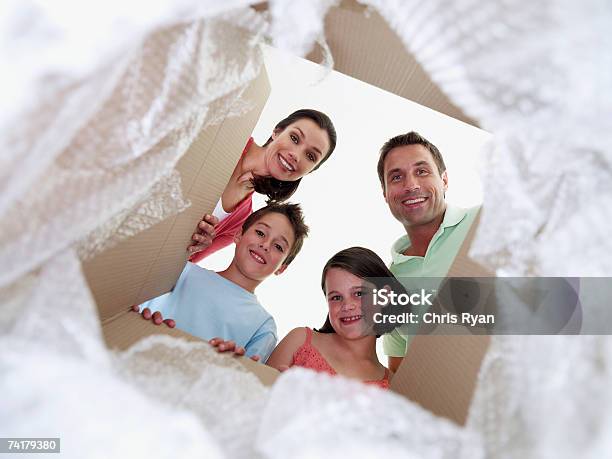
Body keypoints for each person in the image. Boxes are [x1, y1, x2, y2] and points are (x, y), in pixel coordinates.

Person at [133, 203, 309, 362]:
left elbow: (245, 381)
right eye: (260, 233)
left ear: (282, 268)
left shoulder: (263, 327)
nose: (265, 245)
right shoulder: (181, 270)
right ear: (238, 235)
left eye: (278, 246)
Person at [213, 247, 405, 389]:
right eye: (336, 298)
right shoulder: (300, 340)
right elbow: (256, 396)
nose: (347, 305)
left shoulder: (393, 386)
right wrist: (236, 370)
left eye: (359, 294)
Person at [377, 131, 480, 373]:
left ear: (444, 180)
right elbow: (400, 376)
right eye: (396, 177)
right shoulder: (388, 285)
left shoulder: (486, 220)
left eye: (421, 171)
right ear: (385, 195)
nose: (411, 185)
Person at [187, 109, 336, 261]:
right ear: (277, 132)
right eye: (294, 138)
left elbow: (180, 264)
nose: (296, 155)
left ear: (310, 171)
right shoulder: (226, 134)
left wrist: (194, 248)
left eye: (310, 156)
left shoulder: (240, 222)